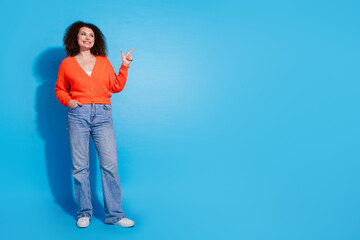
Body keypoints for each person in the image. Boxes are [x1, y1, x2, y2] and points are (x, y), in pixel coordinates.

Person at [54, 21, 135, 228]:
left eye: (91, 35)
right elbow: (60, 89)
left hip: (102, 115)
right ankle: (84, 212)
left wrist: (124, 65)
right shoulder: (67, 64)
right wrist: (69, 101)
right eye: (83, 34)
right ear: (75, 38)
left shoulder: (103, 61)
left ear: (95, 39)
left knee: (109, 165)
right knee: (80, 167)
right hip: (77, 115)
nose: (87, 38)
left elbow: (115, 87)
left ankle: (115, 215)